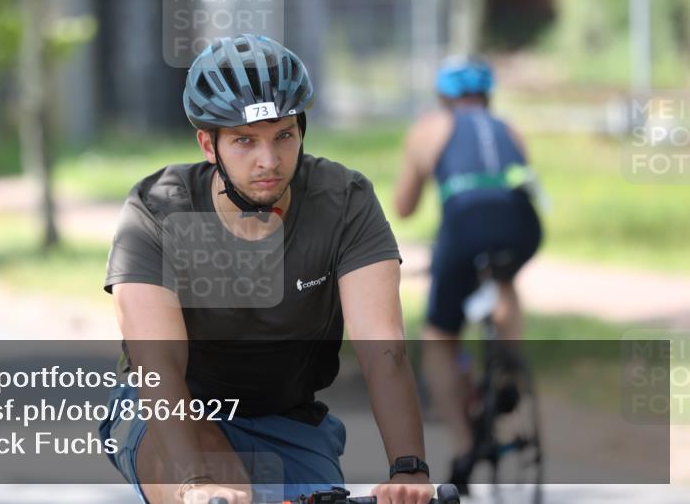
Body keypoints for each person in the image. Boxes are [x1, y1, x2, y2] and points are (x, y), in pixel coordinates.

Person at [101, 35, 435, 504]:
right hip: (176, 411)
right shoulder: (156, 209)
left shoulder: (345, 200)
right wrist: (196, 484)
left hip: (287, 417)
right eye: (244, 141)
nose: (269, 161)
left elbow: (384, 351)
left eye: (283, 136)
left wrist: (409, 469)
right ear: (208, 144)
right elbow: (159, 365)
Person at [393, 56, 542, 491]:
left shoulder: (429, 128)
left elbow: (404, 206)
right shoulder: (508, 127)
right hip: (522, 222)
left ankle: (462, 444)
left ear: (443, 96)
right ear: (487, 95)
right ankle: (510, 373)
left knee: (439, 335)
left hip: (465, 223)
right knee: (505, 280)